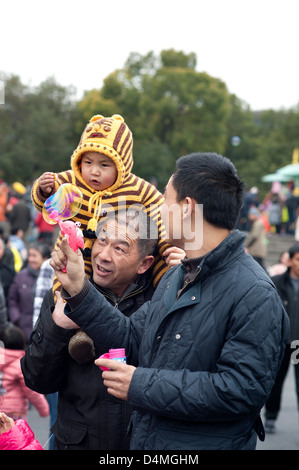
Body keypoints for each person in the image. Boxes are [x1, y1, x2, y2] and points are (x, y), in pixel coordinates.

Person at [48, 152, 289, 450]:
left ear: (186, 208)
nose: (160, 209)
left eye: (165, 199)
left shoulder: (254, 292)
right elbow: (131, 337)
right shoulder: (177, 275)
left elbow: (240, 390)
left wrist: (139, 385)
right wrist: (78, 287)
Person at [21, 210, 175, 450]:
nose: (103, 255)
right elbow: (37, 379)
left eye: (120, 249)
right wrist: (58, 327)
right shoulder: (65, 292)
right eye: (102, 241)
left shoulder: (161, 302)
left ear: (145, 264)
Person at [31, 113, 171, 363]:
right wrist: (42, 189)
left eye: (104, 165)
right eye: (87, 162)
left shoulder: (137, 188)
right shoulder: (72, 180)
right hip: (75, 252)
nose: (93, 172)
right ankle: (77, 334)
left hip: (114, 255)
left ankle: (170, 290)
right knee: (66, 290)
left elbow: (159, 208)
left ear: (122, 165)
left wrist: (167, 242)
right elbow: (46, 200)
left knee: (165, 262)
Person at [264, 244, 299, 434]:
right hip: (282, 343)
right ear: (290, 260)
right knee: (276, 381)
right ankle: (270, 416)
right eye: (298, 259)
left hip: (298, 345)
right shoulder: (277, 282)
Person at [0, 323, 49, 422]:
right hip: (13, 413)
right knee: (12, 437)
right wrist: (44, 409)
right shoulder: (20, 365)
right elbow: (31, 391)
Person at [7, 243, 51, 343]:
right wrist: (16, 318)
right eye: (29, 255)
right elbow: (12, 299)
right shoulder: (21, 276)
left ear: (45, 258)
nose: (30, 259)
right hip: (22, 328)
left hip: (44, 330)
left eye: (34, 256)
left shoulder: (51, 278)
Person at [244, 206, 268, 270]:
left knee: (259, 267)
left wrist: (246, 245)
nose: (249, 216)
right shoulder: (257, 223)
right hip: (258, 249)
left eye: (250, 214)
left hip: (257, 249)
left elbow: (254, 235)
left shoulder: (257, 223)